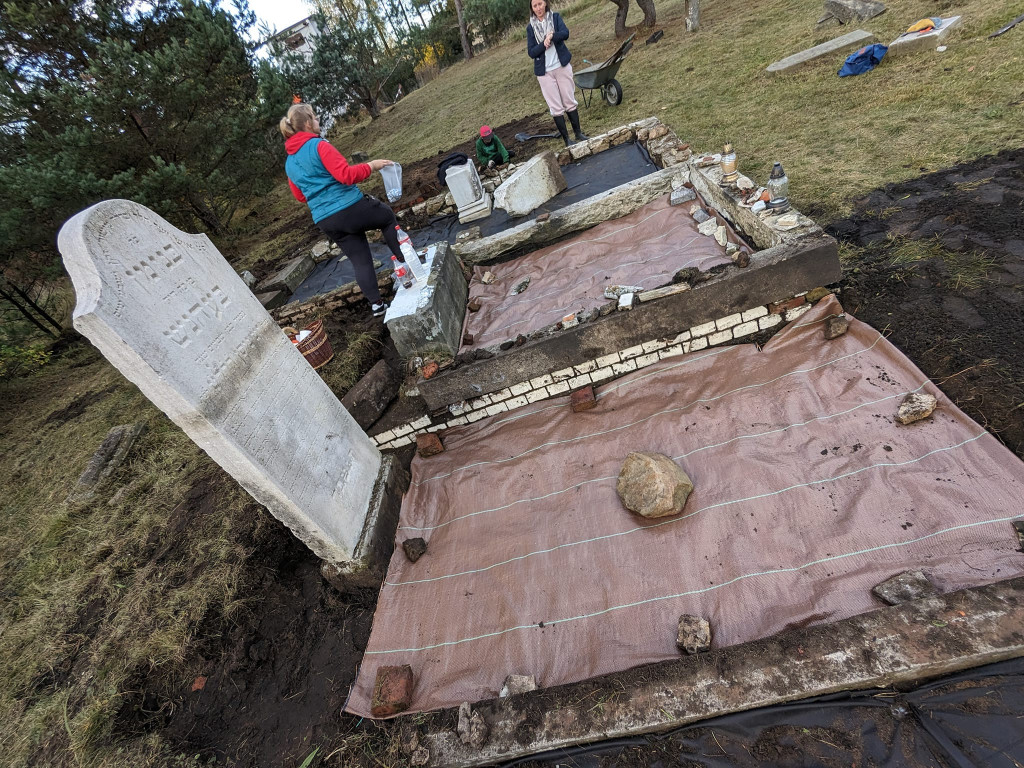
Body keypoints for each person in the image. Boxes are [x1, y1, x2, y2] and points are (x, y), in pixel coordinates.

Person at [280, 103, 404, 318]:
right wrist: (372, 165)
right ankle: (407, 263)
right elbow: (346, 175)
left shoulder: (290, 163)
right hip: (350, 207)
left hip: (326, 221)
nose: (318, 122)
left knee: (360, 259)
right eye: (316, 118)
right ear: (308, 123)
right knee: (386, 217)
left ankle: (376, 305)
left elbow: (300, 196)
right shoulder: (319, 145)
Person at [526, 0, 588, 147]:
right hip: (544, 72)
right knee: (555, 106)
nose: (538, 8)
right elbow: (531, 52)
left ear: (545, 4)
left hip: (561, 66)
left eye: (540, 4)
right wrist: (543, 44)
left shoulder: (555, 18)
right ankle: (567, 140)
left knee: (569, 100)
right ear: (532, 9)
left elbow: (565, 34)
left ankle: (578, 133)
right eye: (535, 6)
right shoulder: (530, 28)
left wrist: (552, 36)